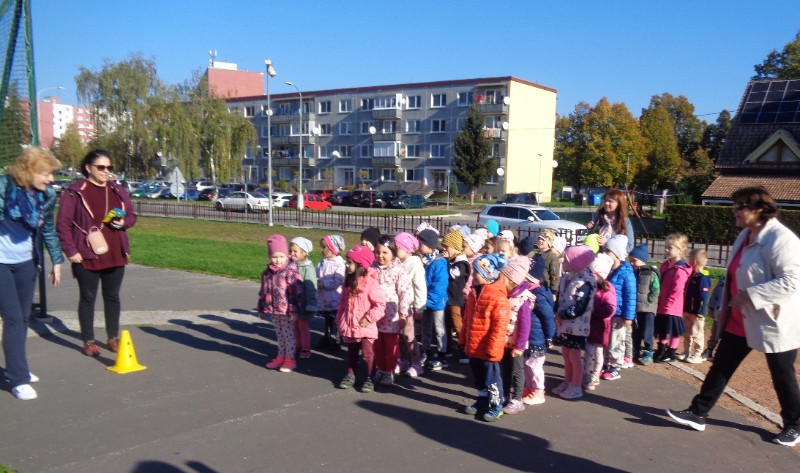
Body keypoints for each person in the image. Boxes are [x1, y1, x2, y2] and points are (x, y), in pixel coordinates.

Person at [667, 187, 800, 447]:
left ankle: (794, 425)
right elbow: (733, 275)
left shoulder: (782, 240)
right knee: (721, 366)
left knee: (782, 373)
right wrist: (725, 307)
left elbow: (793, 281)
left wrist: (749, 295)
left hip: (775, 320)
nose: (734, 211)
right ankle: (698, 412)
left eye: (740, 207)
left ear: (759, 209)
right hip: (741, 317)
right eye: (734, 206)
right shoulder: (744, 235)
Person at [56, 149, 137, 357]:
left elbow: (131, 216)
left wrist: (123, 222)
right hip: (86, 254)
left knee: (112, 297)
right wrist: (70, 251)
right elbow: (63, 224)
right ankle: (89, 341)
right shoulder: (75, 192)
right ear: (88, 168)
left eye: (109, 167)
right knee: (88, 298)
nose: (106, 171)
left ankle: (113, 337)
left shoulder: (117, 190)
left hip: (115, 253)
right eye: (101, 167)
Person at [0, 148, 64, 400]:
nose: (51, 179)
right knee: (14, 319)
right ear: (29, 171)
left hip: (26, 262)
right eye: (46, 173)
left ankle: (17, 367)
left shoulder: (46, 195)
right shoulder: (4, 188)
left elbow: (47, 228)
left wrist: (56, 260)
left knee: (23, 319)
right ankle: (19, 379)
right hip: (1, 264)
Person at [460, 253, 510, 422]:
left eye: (476, 272)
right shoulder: (474, 293)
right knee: (479, 377)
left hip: (488, 348)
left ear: (488, 274)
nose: (473, 275)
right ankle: (483, 400)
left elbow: (500, 326)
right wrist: (463, 338)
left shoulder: (498, 297)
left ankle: (496, 405)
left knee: (492, 379)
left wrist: (493, 349)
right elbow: (467, 319)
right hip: (474, 345)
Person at [336, 245, 386, 393]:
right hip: (351, 324)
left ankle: (370, 376)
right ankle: (350, 373)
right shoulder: (348, 282)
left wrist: (369, 318)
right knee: (351, 351)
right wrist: (339, 319)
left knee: (367, 353)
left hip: (365, 325)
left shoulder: (371, 283)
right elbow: (342, 303)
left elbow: (380, 305)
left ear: (361, 265)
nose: (347, 265)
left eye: (350, 263)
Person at [552, 245, 597, 400]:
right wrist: (556, 311)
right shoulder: (567, 278)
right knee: (566, 353)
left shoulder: (585, 283)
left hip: (577, 326)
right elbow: (561, 297)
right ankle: (568, 381)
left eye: (566, 260)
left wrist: (562, 314)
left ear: (575, 263)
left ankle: (576, 385)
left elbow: (580, 306)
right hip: (565, 325)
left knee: (574, 356)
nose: (563, 263)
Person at [372, 235, 412, 386]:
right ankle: (380, 368)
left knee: (390, 345)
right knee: (377, 344)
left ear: (393, 253)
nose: (380, 256)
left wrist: (403, 314)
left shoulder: (399, 269)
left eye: (385, 252)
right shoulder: (372, 268)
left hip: (391, 314)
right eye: (377, 252)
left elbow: (404, 293)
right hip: (374, 314)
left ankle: (389, 371)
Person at [259, 235, 303, 372]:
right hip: (274, 309)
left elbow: (296, 293)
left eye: (281, 256)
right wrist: (261, 308)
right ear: (269, 256)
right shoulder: (267, 273)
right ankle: (281, 356)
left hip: (287, 310)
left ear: (286, 255)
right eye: (274, 257)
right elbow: (263, 291)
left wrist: (294, 311)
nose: (278, 260)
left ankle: (290, 359)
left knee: (288, 334)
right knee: (279, 334)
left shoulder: (290, 272)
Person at [600, 235, 636, 380]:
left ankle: (615, 366)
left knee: (617, 340)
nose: (605, 254)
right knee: (606, 339)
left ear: (616, 254)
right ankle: (605, 364)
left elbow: (630, 296)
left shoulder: (626, 272)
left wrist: (628, 316)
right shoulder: (607, 269)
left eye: (608, 251)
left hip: (620, 313)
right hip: (607, 312)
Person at [499, 256, 532, 415]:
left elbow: (525, 326)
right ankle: (505, 394)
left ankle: (517, 399)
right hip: (504, 341)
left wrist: (520, 346)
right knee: (504, 369)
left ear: (512, 280)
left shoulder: (522, 299)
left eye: (503, 279)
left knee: (517, 371)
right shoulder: (506, 295)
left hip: (516, 345)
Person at [520, 261, 556, 406]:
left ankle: (539, 391)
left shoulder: (538, 295)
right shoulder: (528, 292)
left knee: (535, 366)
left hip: (537, 339)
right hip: (529, 337)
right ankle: (530, 387)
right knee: (527, 365)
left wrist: (550, 336)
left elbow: (548, 317)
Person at [653, 233, 691, 363]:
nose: (666, 250)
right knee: (663, 328)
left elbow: (677, 289)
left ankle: (671, 351)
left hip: (673, 305)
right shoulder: (666, 265)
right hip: (662, 302)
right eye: (666, 247)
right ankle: (661, 348)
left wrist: (668, 302)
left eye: (670, 248)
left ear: (681, 249)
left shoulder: (680, 269)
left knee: (674, 330)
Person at [582, 254, 616, 392]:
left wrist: (595, 309)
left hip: (601, 326)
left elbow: (610, 309)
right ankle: (586, 374)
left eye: (592, 273)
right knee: (588, 351)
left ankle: (595, 375)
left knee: (598, 352)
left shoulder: (608, 290)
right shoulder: (590, 286)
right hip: (590, 324)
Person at [395, 232, 426, 377]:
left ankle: (416, 363)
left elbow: (420, 286)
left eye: (398, 248)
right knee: (399, 335)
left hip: (409, 307)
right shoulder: (397, 262)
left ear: (407, 249)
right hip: (397, 305)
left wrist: (419, 307)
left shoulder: (414, 263)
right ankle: (403, 360)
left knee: (409, 336)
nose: (395, 250)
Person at [417, 228, 449, 370]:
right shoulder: (423, 261)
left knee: (439, 329)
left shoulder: (438, 263)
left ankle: (442, 355)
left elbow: (439, 286)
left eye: (421, 244)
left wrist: (429, 301)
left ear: (430, 246)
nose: (418, 246)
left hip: (437, 303)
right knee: (425, 328)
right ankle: (426, 351)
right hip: (425, 301)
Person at [628, 244, 660, 365]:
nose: (632, 263)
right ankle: (635, 350)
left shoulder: (651, 273)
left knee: (647, 332)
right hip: (636, 308)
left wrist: (649, 301)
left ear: (642, 260)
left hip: (647, 309)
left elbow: (655, 289)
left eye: (634, 260)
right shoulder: (634, 272)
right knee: (636, 331)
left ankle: (648, 352)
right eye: (630, 261)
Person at [441, 230, 470, 359]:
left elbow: (453, 274)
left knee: (457, 323)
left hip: (455, 299)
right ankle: (447, 347)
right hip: (447, 298)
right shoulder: (453, 261)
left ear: (455, 247)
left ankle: (464, 348)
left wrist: (445, 261)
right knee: (446, 323)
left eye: (446, 247)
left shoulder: (462, 264)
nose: (444, 249)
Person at [681, 249, 711, 364]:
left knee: (697, 333)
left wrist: (700, 312)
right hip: (688, 310)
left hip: (697, 313)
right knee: (687, 332)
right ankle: (686, 352)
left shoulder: (703, 278)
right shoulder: (692, 276)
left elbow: (704, 297)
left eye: (689, 260)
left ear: (694, 262)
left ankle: (697, 354)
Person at [316, 235, 346, 349]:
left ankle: (338, 338)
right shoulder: (322, 262)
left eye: (324, 247)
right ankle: (327, 336)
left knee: (337, 319)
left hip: (335, 298)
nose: (321, 250)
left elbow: (338, 280)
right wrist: (316, 281)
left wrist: (323, 284)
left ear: (333, 249)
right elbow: (317, 274)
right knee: (327, 319)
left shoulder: (339, 263)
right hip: (324, 298)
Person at [290, 237, 317, 359]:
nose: (292, 253)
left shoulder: (307, 268)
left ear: (305, 253)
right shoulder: (292, 265)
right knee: (295, 325)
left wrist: (311, 303)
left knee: (303, 326)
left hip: (303, 303)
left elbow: (311, 287)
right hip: (293, 303)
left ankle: (305, 348)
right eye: (291, 251)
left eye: (295, 251)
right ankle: (298, 345)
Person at [586, 189, 635, 253]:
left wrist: (608, 243)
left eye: (610, 201)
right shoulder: (599, 217)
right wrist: (589, 230)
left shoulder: (625, 221)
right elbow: (591, 239)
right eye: (605, 200)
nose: (606, 203)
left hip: (613, 257)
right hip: (596, 256)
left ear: (619, 203)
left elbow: (629, 246)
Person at [533, 229, 562, 298]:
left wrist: (554, 291)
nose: (540, 240)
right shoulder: (536, 253)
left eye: (543, 239)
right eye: (539, 238)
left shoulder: (552, 257)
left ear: (549, 243)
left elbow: (554, 275)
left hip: (544, 288)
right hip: (533, 286)